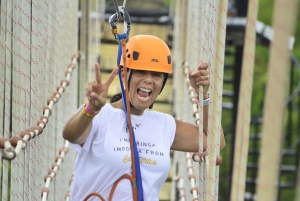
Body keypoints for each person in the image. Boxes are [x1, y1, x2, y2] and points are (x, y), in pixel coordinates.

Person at [63, 35, 226, 201]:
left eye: (156, 75)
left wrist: (203, 95)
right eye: (141, 71)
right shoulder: (100, 116)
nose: (148, 80)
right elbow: (70, 134)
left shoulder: (164, 125)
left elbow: (216, 141)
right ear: (124, 75)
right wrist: (91, 109)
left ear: (163, 83)